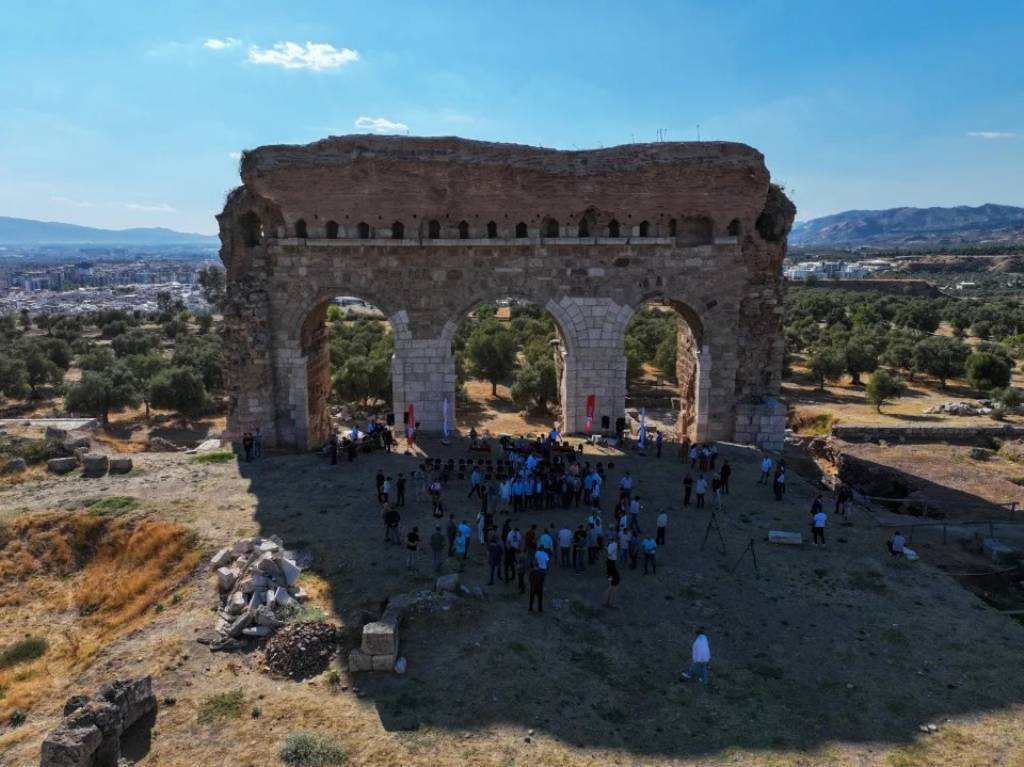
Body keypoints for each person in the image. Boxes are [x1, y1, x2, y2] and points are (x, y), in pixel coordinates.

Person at [604, 538, 620, 608]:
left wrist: (606, 548)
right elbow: (610, 553)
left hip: (610, 563)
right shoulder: (614, 544)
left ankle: (607, 602)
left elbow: (609, 553)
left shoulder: (611, 545)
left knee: (611, 584)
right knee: (614, 584)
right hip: (611, 563)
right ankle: (611, 603)